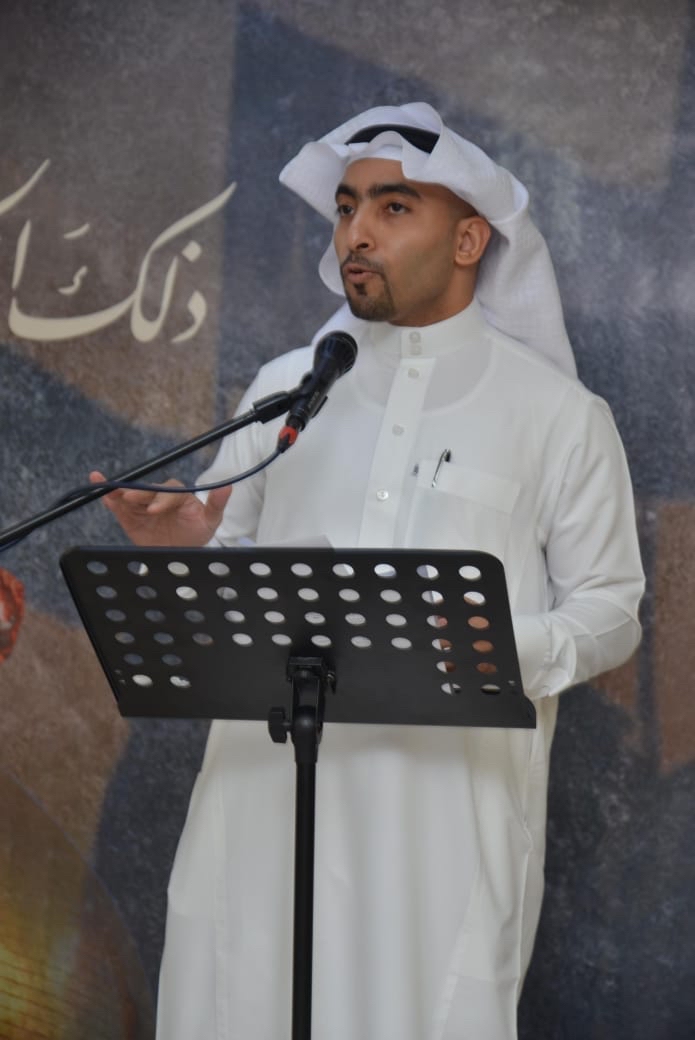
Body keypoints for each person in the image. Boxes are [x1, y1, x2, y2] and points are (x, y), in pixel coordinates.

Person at [92, 102, 644, 1040]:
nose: (355, 232)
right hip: (263, 797)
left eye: (393, 208)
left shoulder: (557, 415)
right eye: (346, 207)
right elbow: (231, 578)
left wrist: (493, 647)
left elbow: (611, 610)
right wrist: (184, 548)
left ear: (468, 239)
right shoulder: (285, 389)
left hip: (441, 822)